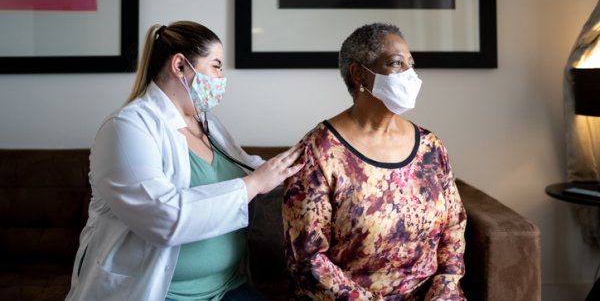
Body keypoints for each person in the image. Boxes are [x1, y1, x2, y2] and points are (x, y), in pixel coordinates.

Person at [66, 21, 303, 301]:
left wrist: (311, 161)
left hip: (228, 287)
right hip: (161, 292)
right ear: (180, 66)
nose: (221, 77)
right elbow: (163, 218)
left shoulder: (206, 123)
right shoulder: (126, 129)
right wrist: (253, 184)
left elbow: (249, 166)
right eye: (216, 66)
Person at [283, 23, 467, 300]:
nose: (410, 76)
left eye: (411, 65)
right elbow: (307, 260)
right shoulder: (318, 152)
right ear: (359, 74)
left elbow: (455, 226)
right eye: (396, 63)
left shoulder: (431, 147)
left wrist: (445, 289)